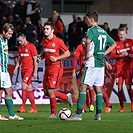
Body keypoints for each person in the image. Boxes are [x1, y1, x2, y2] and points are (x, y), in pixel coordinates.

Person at [66, 11, 116, 121]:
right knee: (98, 88)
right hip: (100, 63)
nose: (86, 21)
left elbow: (88, 41)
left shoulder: (91, 30)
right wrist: (104, 53)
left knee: (83, 86)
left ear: (92, 20)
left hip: (92, 62)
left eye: (87, 19)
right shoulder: (103, 31)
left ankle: (78, 115)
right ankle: (98, 115)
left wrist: (87, 53)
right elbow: (113, 44)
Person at [37, 21, 73, 118]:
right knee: (46, 92)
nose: (45, 30)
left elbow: (68, 53)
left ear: (52, 30)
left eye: (47, 29)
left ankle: (53, 114)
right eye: (44, 29)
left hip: (56, 67)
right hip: (47, 67)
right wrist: (41, 57)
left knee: (51, 90)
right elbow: (45, 52)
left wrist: (57, 58)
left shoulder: (58, 41)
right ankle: (66, 97)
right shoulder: (44, 41)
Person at [0, 23, 24, 120]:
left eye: (11, 34)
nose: (10, 36)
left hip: (4, 71)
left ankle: (11, 115)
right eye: (9, 33)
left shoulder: (5, 41)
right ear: (3, 32)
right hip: (0, 70)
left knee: (9, 91)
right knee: (0, 91)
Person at [13, 32, 38, 113]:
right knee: (29, 87)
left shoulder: (31, 46)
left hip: (29, 69)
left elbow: (35, 60)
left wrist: (35, 71)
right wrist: (16, 68)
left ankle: (23, 106)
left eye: (20, 41)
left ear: (24, 38)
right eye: (18, 41)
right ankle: (34, 108)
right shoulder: (20, 48)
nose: (19, 43)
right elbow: (19, 60)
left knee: (23, 84)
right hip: (23, 70)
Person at [111, 27, 133, 112]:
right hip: (119, 69)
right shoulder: (115, 44)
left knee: (128, 87)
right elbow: (112, 56)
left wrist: (130, 55)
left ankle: (132, 105)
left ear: (126, 34)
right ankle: (122, 107)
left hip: (128, 69)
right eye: (120, 34)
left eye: (123, 34)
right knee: (119, 87)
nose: (122, 36)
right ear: (118, 35)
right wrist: (121, 55)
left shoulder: (130, 41)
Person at [72, 37, 95, 113]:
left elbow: (98, 56)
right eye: (82, 41)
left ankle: (92, 104)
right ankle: (85, 107)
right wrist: (74, 70)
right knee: (84, 88)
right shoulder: (79, 47)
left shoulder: (93, 46)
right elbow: (75, 59)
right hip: (83, 69)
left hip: (92, 68)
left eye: (84, 42)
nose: (83, 43)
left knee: (91, 87)